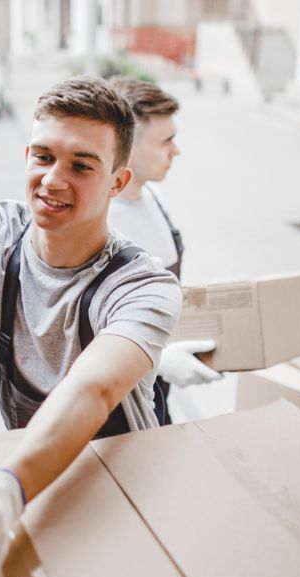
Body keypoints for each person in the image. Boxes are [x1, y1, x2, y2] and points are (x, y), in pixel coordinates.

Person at [0, 76, 182, 577]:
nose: (53, 180)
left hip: (122, 493)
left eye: (82, 165)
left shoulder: (143, 285)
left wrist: (5, 492)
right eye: (43, 156)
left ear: (117, 180)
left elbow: (94, 389)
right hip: (39, 481)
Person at [107, 78, 221, 421]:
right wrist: (158, 362)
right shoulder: (102, 227)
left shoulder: (156, 198)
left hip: (159, 398)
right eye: (166, 141)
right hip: (118, 408)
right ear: (127, 146)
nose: (177, 150)